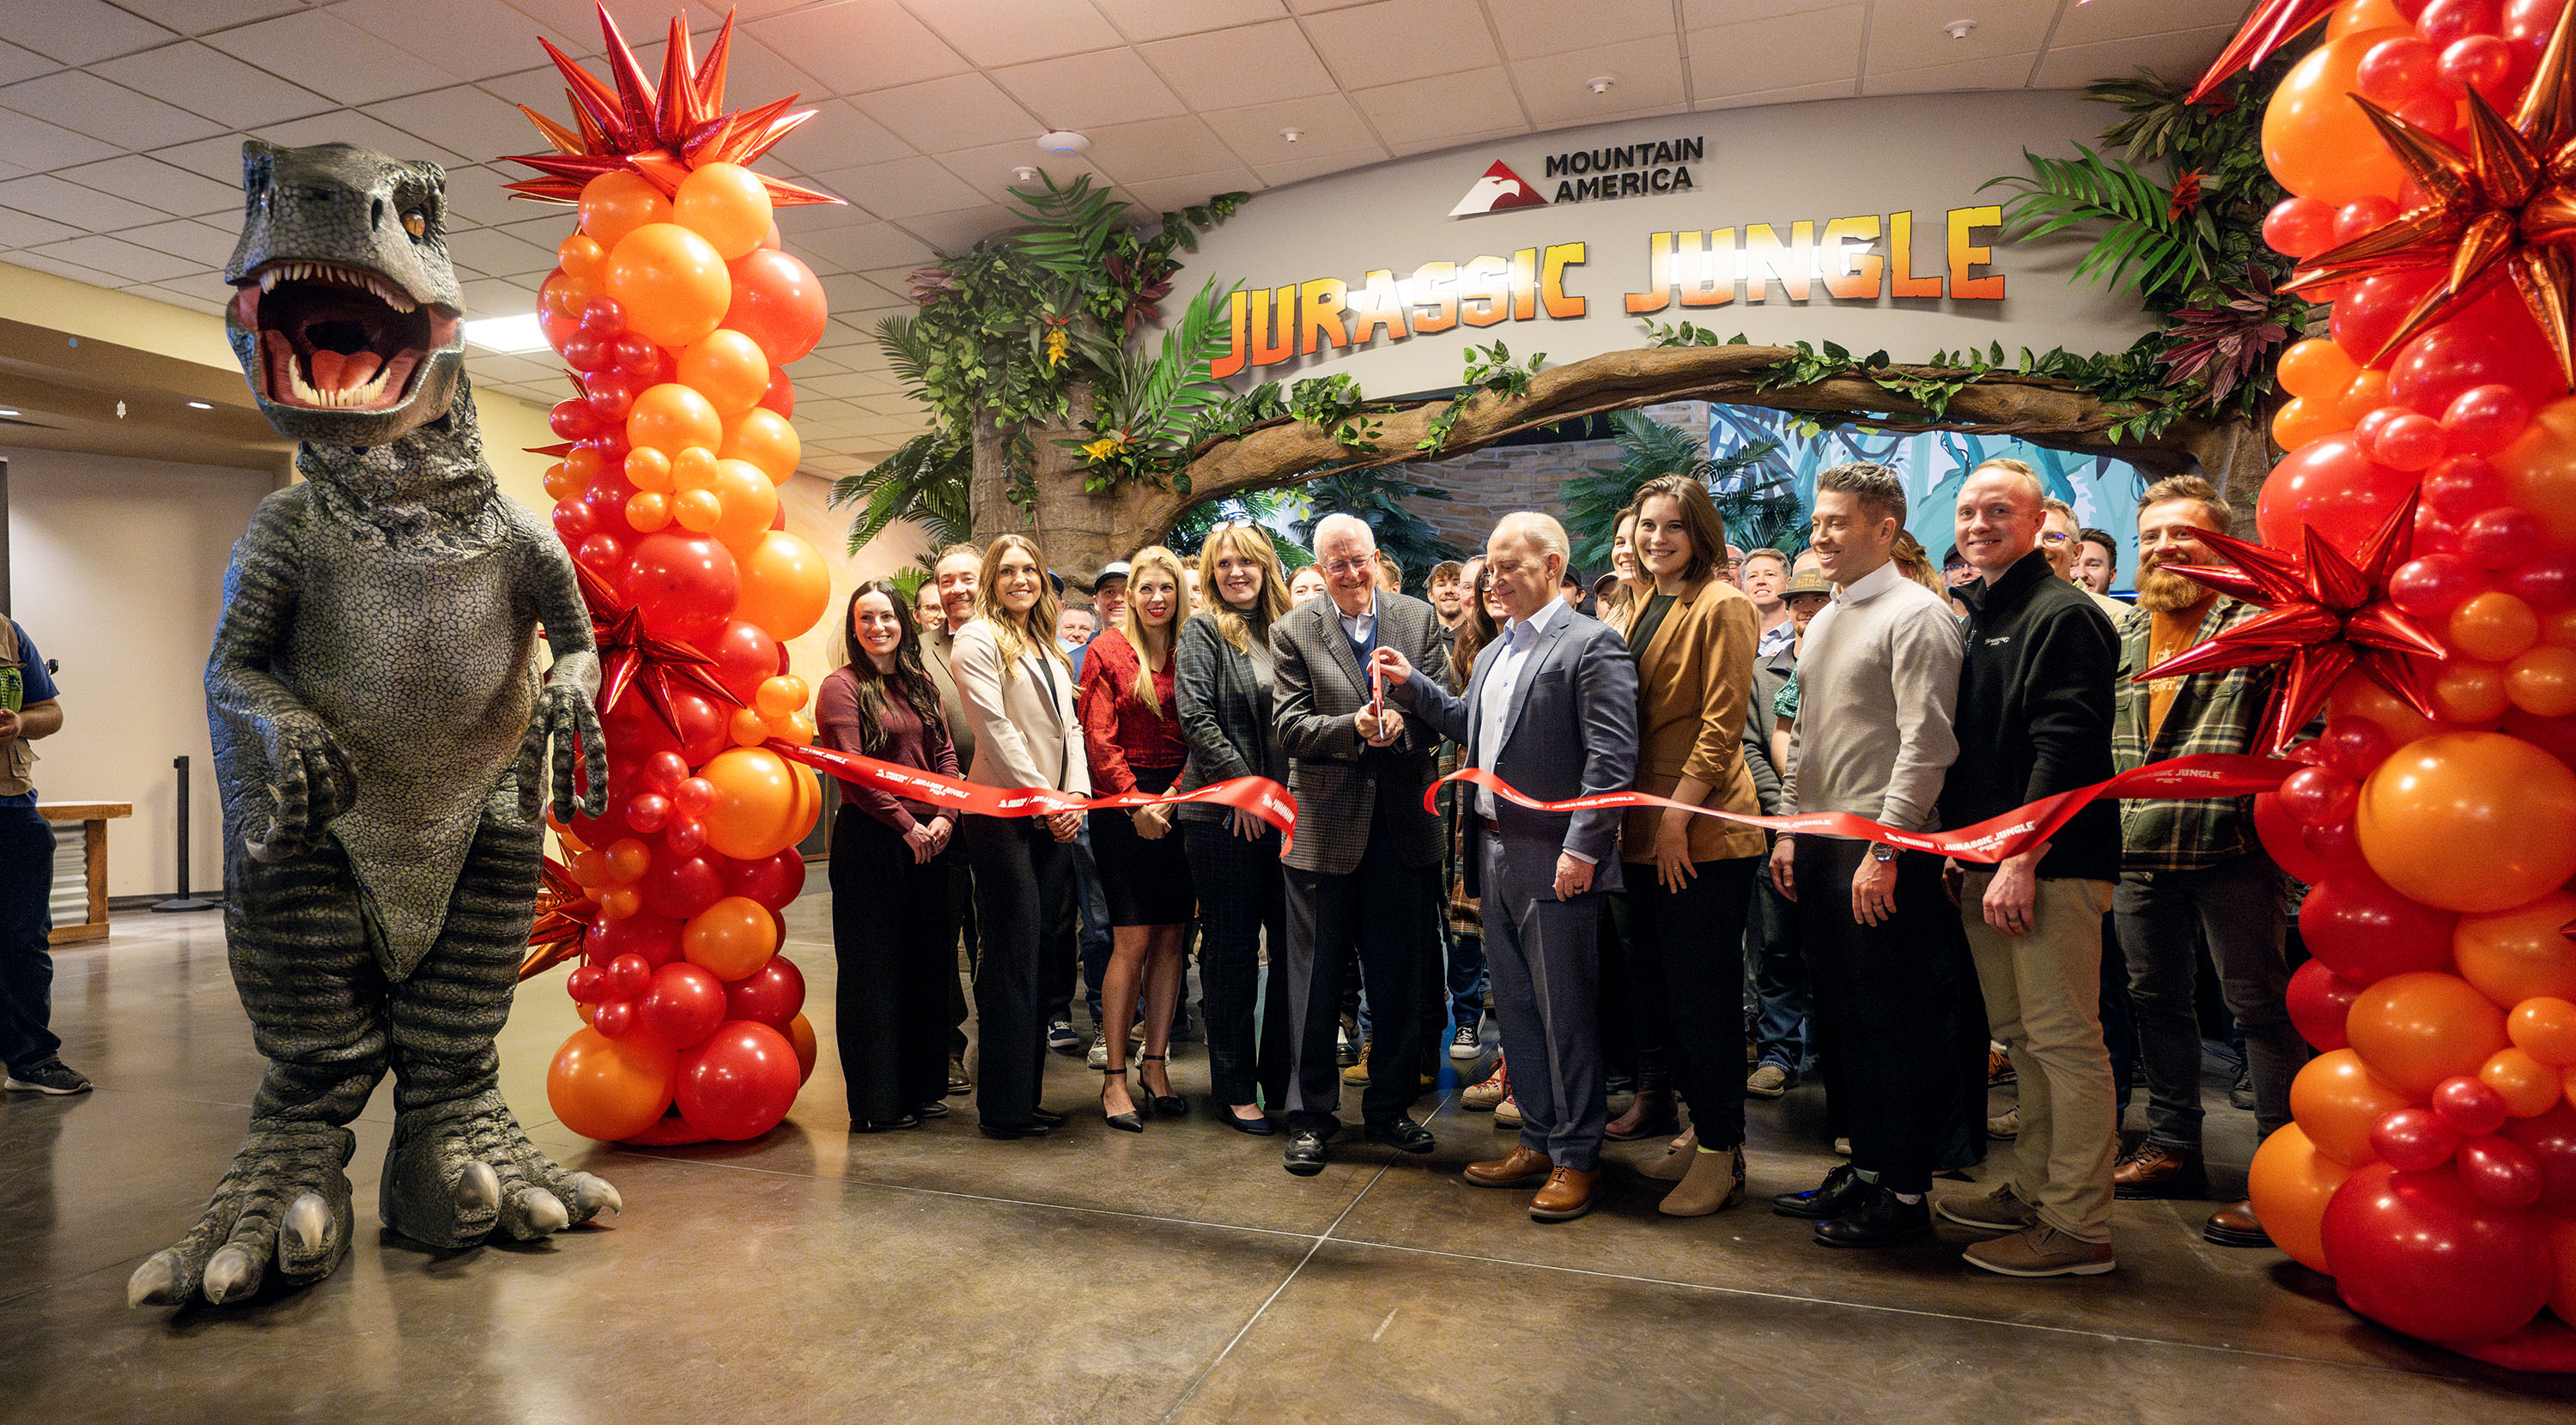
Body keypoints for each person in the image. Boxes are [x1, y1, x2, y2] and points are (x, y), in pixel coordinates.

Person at [1377, 512, 1637, 1222]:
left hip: (1556, 858)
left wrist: (1583, 848)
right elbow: (1473, 727)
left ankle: (1579, 1156)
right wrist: (1411, 687)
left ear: (1554, 567)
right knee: (1516, 1009)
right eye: (1488, 566)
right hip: (1489, 849)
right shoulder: (1494, 652)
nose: (1494, 579)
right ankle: (1538, 1139)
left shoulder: (1592, 644)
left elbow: (1611, 760)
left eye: (1509, 565)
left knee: (1566, 1014)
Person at [1769, 462, 1971, 1248]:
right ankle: (1865, 1166)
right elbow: (1809, 743)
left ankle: (1908, 1193)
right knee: (1844, 1024)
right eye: (1817, 522)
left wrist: (1886, 844)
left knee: (1895, 1026)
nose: (1819, 536)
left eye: (1838, 522)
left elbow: (1929, 744)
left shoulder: (1917, 614)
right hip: (1823, 847)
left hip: (1885, 854)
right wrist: (1788, 829)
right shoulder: (1822, 620)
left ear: (1885, 529)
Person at [1935, 461, 2122, 1277]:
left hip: (2050, 865)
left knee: (2064, 1043)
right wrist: (1966, 852)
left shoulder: (2063, 615)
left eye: (1998, 510)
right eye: (1969, 510)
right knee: (2022, 1040)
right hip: (1991, 861)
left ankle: (2078, 1227)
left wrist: (2022, 856)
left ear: (2041, 518)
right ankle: (2035, 1189)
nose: (1978, 523)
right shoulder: (1985, 611)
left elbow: (2068, 748)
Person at [2109, 476, 2303, 1249]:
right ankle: (2172, 1149)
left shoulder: (2262, 625)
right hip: (2136, 847)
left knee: (2257, 1008)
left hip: (2233, 850)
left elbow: (2303, 730)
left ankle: (2280, 1172)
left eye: (2183, 534)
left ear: (2224, 544)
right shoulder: (2125, 634)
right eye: (2152, 535)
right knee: (2153, 1001)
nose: (2165, 548)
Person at [1270, 512, 1448, 1175]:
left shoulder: (1418, 619)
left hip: (1404, 829)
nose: (1349, 574)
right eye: (1335, 564)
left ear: (1378, 558)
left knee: (1400, 979)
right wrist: (1355, 726)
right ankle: (1311, 1117)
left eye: (1359, 560)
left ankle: (1391, 1109)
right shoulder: (1293, 629)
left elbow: (1443, 710)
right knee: (1313, 986)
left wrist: (1399, 727)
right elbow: (1289, 726)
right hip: (1324, 832)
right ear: (1319, 570)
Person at [1613, 476, 1768, 1215]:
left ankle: (1721, 1153)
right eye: (1648, 526)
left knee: (1703, 1002)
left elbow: (1720, 723)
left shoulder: (1725, 603)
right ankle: (1702, 1132)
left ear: (1700, 532)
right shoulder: (1644, 599)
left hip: (1702, 832)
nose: (1657, 538)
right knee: (1663, 1000)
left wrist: (1677, 818)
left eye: (1674, 527)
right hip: (1644, 831)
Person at [950, 534, 1090, 1140]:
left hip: (1054, 814)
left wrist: (1077, 796)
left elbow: (1072, 726)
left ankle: (1026, 1098)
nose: (1021, 580)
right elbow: (996, 730)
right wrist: (1045, 798)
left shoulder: (1046, 643)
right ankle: (1003, 1108)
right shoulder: (977, 639)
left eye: (1029, 569)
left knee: (1040, 953)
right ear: (991, 579)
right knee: (1009, 958)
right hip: (1003, 816)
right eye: (1007, 571)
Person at [817, 582, 961, 1132]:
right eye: (866, 619)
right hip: (874, 844)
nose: (879, 627)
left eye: (887, 616)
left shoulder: (920, 683)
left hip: (933, 838)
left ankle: (923, 1089)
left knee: (928, 969)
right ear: (854, 629)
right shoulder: (841, 687)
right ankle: (878, 1103)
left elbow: (945, 754)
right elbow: (854, 771)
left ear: (904, 622)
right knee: (872, 974)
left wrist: (946, 816)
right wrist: (907, 826)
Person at [1176, 522, 1297, 1135]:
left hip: (1288, 822)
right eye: (1222, 565)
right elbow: (1195, 717)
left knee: (1291, 954)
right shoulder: (1202, 630)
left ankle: (1280, 1082)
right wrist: (1246, 790)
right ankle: (1232, 1088)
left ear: (1265, 565)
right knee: (1230, 956)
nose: (1234, 573)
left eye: (1245, 561)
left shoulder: (1291, 629)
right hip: (1223, 820)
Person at [1076, 546, 1197, 1132]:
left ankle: (1156, 1065)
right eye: (1145, 589)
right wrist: (1137, 802)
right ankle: (1115, 1079)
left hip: (1182, 801)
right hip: (1122, 804)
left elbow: (1203, 730)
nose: (1155, 599)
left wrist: (1173, 796)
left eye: (1165, 589)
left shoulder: (1193, 647)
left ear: (1178, 594)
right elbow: (1098, 739)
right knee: (1131, 938)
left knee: (1173, 937)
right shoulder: (1105, 649)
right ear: (1130, 596)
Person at [1744, 567, 1826, 1103]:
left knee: (1833, 948)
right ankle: (1777, 1051)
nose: (1806, 609)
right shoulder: (1763, 673)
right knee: (1776, 946)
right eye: (1800, 600)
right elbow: (1751, 746)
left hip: (1847, 826)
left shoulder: (1848, 663)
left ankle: (1823, 1051)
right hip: (1778, 828)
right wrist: (1784, 815)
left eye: (1819, 599)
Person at [0, 618, 78, 1095]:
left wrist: (21, 722)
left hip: (13, 809)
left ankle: (32, 1060)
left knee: (26, 941)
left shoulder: (6, 633)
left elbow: (51, 711)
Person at [925, 543, 983, 1095]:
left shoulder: (1010, 638)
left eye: (968, 578)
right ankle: (948, 1047)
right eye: (947, 581)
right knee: (943, 935)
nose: (958, 589)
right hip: (940, 816)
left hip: (1007, 813)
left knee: (1000, 933)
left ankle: (1012, 1039)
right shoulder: (916, 651)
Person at [1741, 548, 1793, 656]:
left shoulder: (1803, 633)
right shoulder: (1735, 637)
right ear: (1743, 588)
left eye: (1770, 574)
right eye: (1753, 576)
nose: (1760, 582)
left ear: (1788, 583)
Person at [2073, 527, 2118, 596]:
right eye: (2072, 565)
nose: (2081, 574)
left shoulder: (2127, 607)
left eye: (2093, 565)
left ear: (2112, 575)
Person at [1427, 560, 1467, 631]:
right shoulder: (1421, 636)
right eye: (1441, 585)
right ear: (1431, 595)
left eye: (1456, 584)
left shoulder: (1483, 635)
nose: (1449, 590)